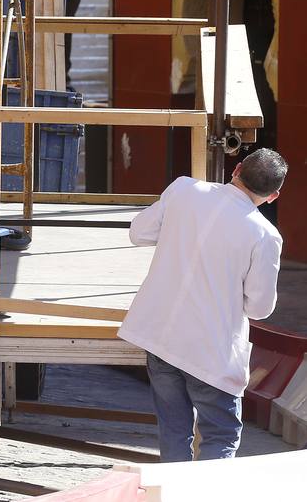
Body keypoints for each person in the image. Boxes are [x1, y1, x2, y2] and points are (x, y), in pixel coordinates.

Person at [118, 148, 287, 463]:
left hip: (161, 335)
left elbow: (138, 232)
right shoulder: (265, 235)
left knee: (173, 430)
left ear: (236, 170)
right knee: (220, 436)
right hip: (211, 350)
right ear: (273, 196)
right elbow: (261, 308)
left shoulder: (184, 189)